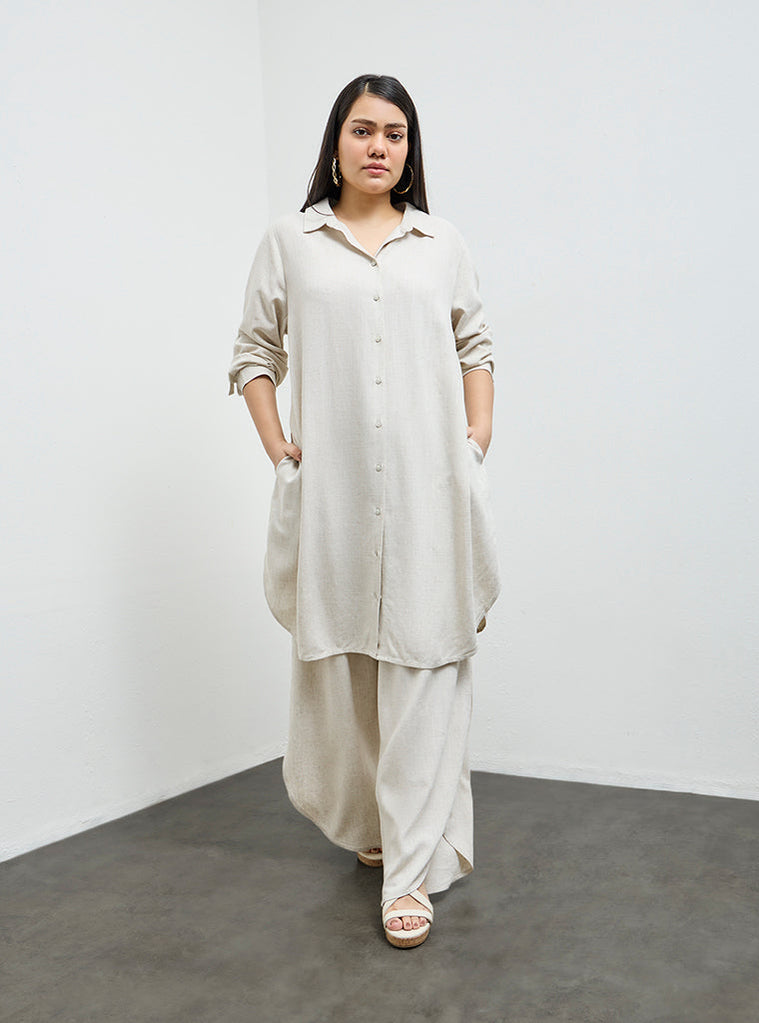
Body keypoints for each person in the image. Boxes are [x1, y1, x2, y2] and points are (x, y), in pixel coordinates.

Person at [227, 73, 501, 949]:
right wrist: (279, 447)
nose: (379, 146)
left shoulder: (440, 242)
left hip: (428, 487)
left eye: (394, 133)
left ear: (409, 150)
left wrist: (474, 439)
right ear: (335, 143)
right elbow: (253, 351)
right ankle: (376, 822)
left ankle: (410, 873)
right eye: (362, 129)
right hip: (335, 493)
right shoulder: (292, 241)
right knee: (346, 668)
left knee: (423, 662)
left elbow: (475, 344)